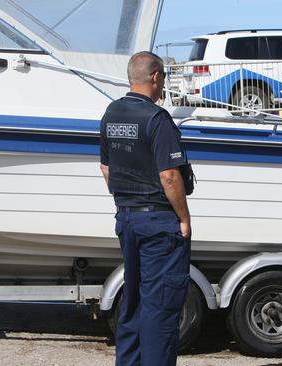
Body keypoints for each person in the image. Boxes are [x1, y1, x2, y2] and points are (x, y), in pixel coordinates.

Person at [99, 51, 192, 366]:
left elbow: (105, 168)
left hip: (127, 219)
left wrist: (124, 202)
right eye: (164, 77)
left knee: (134, 301)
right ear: (155, 77)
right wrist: (183, 218)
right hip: (159, 223)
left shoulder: (111, 113)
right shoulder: (157, 118)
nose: (163, 84)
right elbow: (169, 175)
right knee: (161, 307)